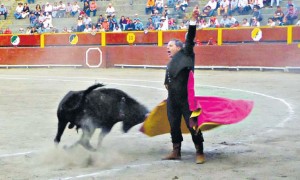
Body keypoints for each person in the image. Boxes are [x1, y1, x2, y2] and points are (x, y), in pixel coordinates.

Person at [162, 6, 205, 164]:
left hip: (187, 100)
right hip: (173, 99)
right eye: (167, 46)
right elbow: (168, 81)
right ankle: (176, 151)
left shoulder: (186, 54)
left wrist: (193, 20)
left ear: (179, 48)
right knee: (173, 125)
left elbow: (190, 36)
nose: (168, 48)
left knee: (192, 124)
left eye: (171, 46)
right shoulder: (170, 63)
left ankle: (199, 151)